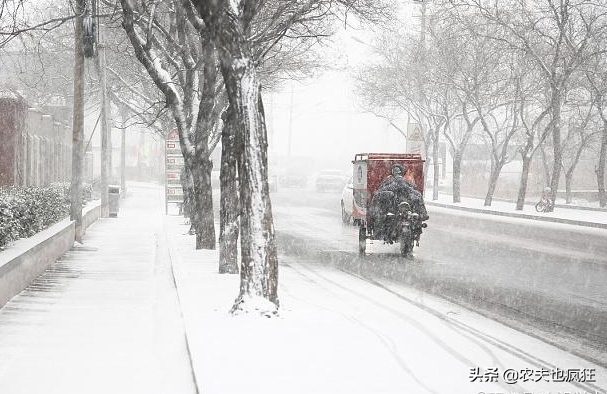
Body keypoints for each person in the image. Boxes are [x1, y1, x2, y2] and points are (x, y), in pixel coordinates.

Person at [179, 166, 196, 234]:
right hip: (189, 188)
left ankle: (190, 220)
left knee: (189, 203)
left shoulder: (184, 169)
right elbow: (182, 179)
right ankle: (188, 218)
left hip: (189, 189)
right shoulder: (185, 169)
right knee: (189, 203)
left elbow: (182, 179)